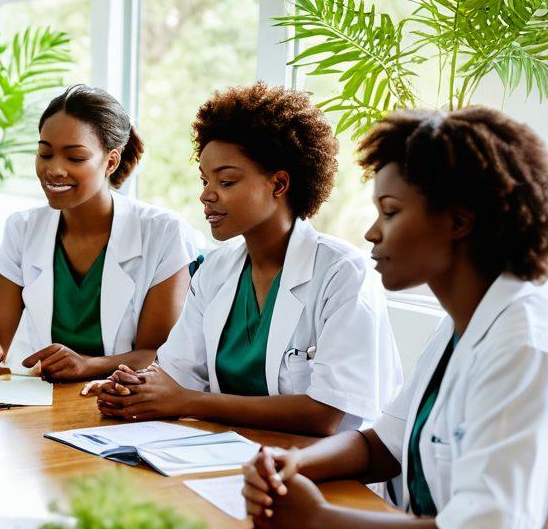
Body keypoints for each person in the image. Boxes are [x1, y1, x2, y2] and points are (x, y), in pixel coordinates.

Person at [219, 106, 548, 529]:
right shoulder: (463, 325)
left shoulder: (524, 342)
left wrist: (315, 519)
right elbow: (379, 444)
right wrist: (294, 467)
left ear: (459, 221)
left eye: (391, 212)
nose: (372, 232)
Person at [87, 82, 401, 435]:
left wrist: (187, 401)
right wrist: (136, 387)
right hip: (228, 458)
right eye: (204, 180)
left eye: (226, 181)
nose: (206, 195)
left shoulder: (342, 273)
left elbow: (324, 415)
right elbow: (177, 374)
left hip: (326, 475)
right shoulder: (215, 271)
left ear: (279, 184)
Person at [0, 84, 197, 383]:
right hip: (46, 404)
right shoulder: (23, 228)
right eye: (45, 153)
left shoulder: (161, 232)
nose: (54, 169)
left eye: (75, 158)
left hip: (128, 408)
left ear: (110, 161)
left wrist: (88, 365)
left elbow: (157, 355)